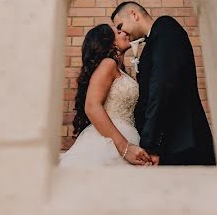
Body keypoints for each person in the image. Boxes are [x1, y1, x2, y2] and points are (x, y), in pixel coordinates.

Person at [111, 1, 216, 166]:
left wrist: (149, 144)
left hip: (184, 142)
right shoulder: (152, 43)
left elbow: (161, 87)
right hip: (171, 144)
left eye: (120, 25)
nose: (121, 32)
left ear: (134, 14)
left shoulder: (166, 28)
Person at [59, 23, 153, 167]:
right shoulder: (108, 64)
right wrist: (125, 148)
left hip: (128, 133)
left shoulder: (118, 69)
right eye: (119, 31)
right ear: (109, 41)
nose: (125, 33)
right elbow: (91, 106)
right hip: (111, 141)